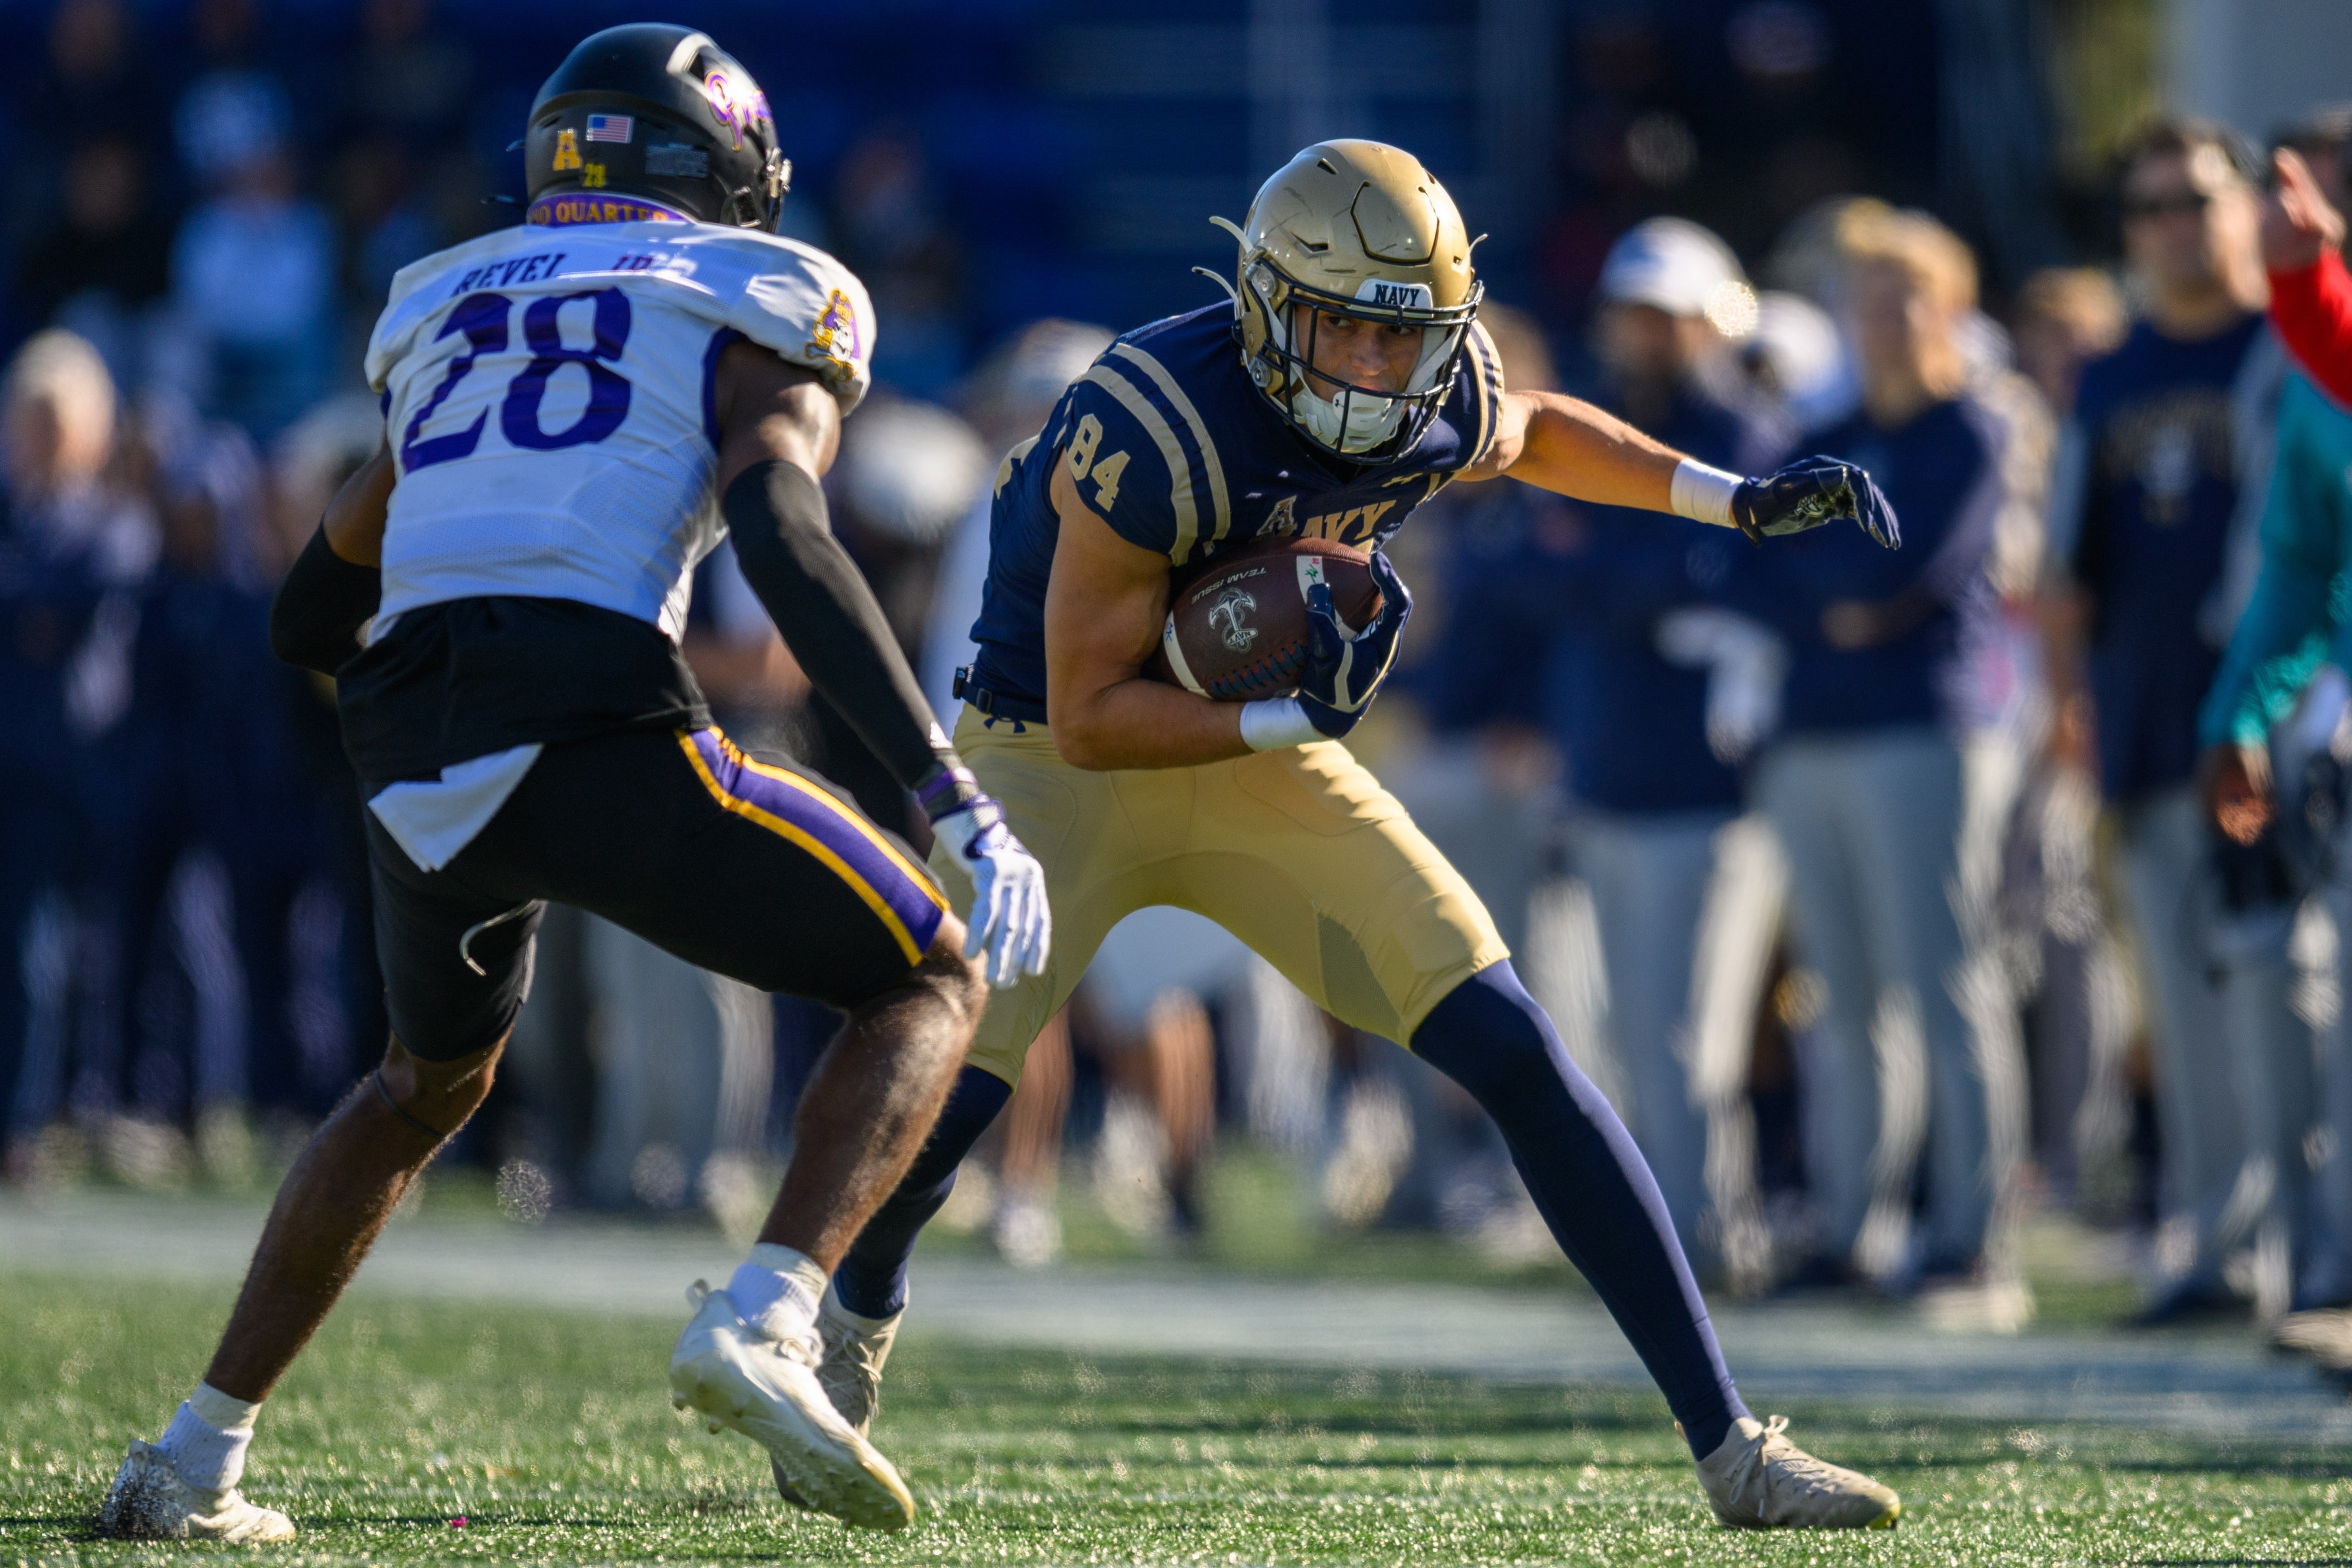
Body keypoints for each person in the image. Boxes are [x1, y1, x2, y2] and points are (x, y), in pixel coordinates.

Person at [810, 139, 1907, 1529]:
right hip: (1052, 758)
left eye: (1410, 337)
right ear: (1272, 302)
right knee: (954, 1086)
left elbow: (1539, 431)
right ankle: (858, 1309)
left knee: (1516, 1045)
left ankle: (1733, 1450)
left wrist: (1727, 498)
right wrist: (1288, 719)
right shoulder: (1156, 416)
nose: (1384, 371)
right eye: (1353, 328)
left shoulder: (1433, 387)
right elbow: (1092, 712)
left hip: (1259, 749)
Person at [96, 25, 1051, 1542]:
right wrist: (951, 792)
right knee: (930, 971)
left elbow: (306, 618)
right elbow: (788, 533)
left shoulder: (448, 297)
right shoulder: (750, 292)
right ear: (727, 173)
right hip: (587, 703)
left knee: (423, 1085)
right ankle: (770, 1315)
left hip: (406, 736)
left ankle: (193, 1456)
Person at [1737, 207, 2026, 1305]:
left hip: (1924, 734)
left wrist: (1831, 595)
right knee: (1842, 996)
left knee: (1946, 982)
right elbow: (1762, 570)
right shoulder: (1829, 428)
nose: (1884, 320)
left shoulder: (1974, 427)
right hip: (1814, 733)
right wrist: (1832, 600)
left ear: (1948, 308)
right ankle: (1854, 1227)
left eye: (1905, 297)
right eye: (1867, 300)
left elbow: (1902, 576)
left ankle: (1972, 1237)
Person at [2046, 119, 2289, 1322]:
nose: (2173, 228)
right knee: (2189, 1021)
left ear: (2245, 204)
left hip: (2291, 723)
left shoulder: (2298, 347)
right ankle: (2220, 1244)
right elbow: (2065, 572)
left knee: (2296, 1001)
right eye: (2147, 209)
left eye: (2194, 199)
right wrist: (2073, 712)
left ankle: (2313, 1252)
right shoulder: (2112, 372)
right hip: (2155, 724)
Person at [1536, 219, 1778, 1268]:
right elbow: (1550, 579)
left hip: (1708, 780)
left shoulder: (1748, 435)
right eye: (1633, 314)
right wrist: (1621, 584)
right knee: (1635, 1036)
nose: (1642, 335)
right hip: (1613, 766)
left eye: (1662, 315)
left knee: (1694, 1041)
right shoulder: (1608, 426)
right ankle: (1676, 1233)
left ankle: (1713, 1232)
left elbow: (1702, 574)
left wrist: (1611, 579)